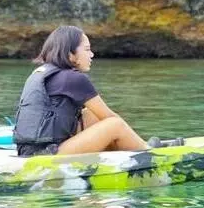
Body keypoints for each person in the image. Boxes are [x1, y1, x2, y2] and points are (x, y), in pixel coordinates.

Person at [13, 25, 181, 156]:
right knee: (114, 124)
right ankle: (150, 152)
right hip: (46, 154)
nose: (92, 54)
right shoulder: (74, 79)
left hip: (28, 151)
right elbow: (110, 117)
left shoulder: (42, 73)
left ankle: (126, 148)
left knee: (92, 115)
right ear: (70, 54)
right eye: (87, 50)